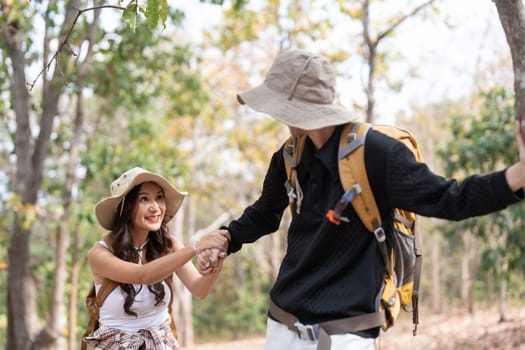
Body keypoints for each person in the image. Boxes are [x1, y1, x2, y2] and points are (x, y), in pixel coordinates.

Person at [199, 49, 525, 350]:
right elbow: (265, 214)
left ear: (297, 106)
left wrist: (519, 174)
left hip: (345, 334)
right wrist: (227, 237)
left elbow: (451, 200)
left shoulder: (378, 155)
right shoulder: (289, 155)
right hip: (282, 327)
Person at [84, 167, 228, 349]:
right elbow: (143, 275)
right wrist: (196, 247)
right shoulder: (100, 254)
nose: (155, 207)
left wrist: (216, 265)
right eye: (144, 199)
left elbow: (200, 290)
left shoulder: (168, 246)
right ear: (126, 207)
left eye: (159, 198)